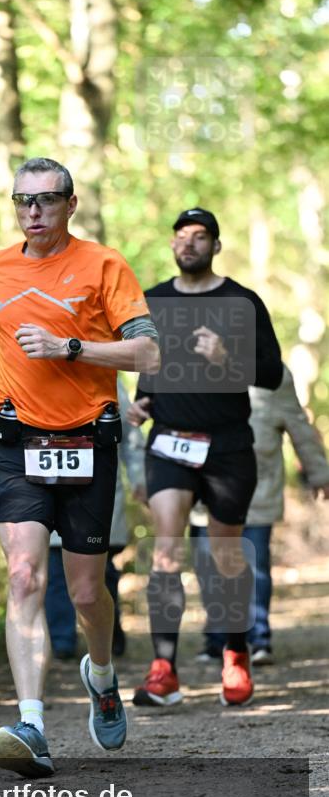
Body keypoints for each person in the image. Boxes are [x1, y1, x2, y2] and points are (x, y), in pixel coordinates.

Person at [0, 157, 160, 777]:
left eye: (45, 200)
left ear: (70, 204)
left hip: (89, 441)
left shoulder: (104, 265)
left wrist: (73, 347)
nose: (33, 212)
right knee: (23, 578)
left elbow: (148, 350)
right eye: (23, 201)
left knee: (86, 591)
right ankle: (32, 723)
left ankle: (100, 675)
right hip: (19, 440)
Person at [127, 207, 283, 708]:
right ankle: (163, 670)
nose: (188, 244)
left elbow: (271, 374)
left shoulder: (242, 301)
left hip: (228, 444)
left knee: (225, 557)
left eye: (199, 237)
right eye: (181, 236)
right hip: (170, 439)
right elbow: (146, 367)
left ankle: (234, 654)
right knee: (167, 549)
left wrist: (225, 359)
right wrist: (140, 401)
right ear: (172, 244)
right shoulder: (152, 300)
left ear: (216, 245)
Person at [191, 364, 329, 665]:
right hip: (208, 490)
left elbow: (299, 425)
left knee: (255, 565)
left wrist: (319, 472)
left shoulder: (274, 375)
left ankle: (258, 638)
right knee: (209, 566)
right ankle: (217, 638)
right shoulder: (190, 364)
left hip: (259, 489)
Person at [45, 378, 147, 659]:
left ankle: (109, 635)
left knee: (101, 572)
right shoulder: (34, 374)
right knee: (55, 572)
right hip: (50, 485)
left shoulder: (107, 377)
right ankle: (62, 640)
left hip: (99, 488)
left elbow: (130, 435)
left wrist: (139, 478)